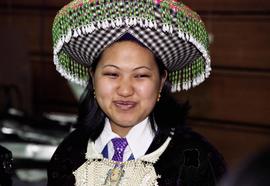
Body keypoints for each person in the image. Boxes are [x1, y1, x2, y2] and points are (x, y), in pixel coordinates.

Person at [47, 0, 226, 185]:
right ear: (93, 77)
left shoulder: (194, 158)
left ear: (161, 80)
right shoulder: (69, 153)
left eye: (140, 75)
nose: (125, 90)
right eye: (112, 74)